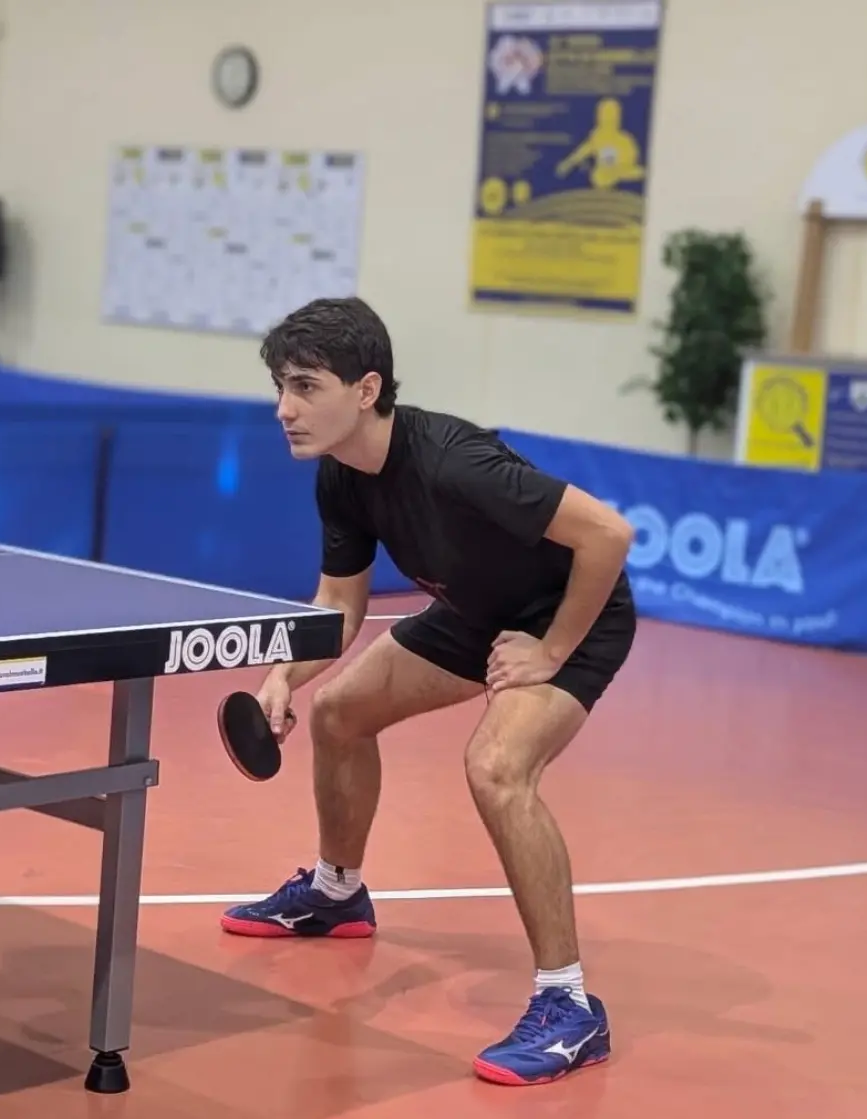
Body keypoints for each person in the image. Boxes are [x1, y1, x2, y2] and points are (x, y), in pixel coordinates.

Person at [220, 295, 638, 1087]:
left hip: (567, 617)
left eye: (306, 386)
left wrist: (551, 650)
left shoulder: (454, 462)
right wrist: (285, 674)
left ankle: (571, 1007)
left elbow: (608, 535)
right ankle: (336, 892)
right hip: (472, 611)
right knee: (340, 711)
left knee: (497, 768)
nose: (284, 408)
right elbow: (339, 606)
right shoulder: (342, 478)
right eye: (281, 385)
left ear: (367, 388)